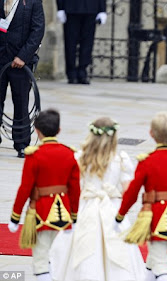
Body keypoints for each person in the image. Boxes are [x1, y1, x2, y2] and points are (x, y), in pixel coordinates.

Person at [49, 117, 146, 281]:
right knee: (118, 249)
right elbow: (128, 191)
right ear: (114, 137)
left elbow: (69, 187)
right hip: (112, 209)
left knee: (84, 247)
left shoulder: (79, 158)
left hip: (86, 207)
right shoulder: (121, 160)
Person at [115, 112, 167, 281]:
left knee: (160, 264)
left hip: (154, 216)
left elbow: (132, 193)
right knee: (154, 258)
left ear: (151, 134)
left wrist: (120, 216)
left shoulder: (146, 161)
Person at [7, 109, 80, 281]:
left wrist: (15, 216)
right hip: (63, 213)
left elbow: (24, 189)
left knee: (41, 259)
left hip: (40, 212)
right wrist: (75, 215)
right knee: (59, 258)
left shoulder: (35, 155)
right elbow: (75, 189)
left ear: (37, 131)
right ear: (59, 130)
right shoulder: (69, 153)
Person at [0, 0, 45, 158]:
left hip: (20, 61)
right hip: (0, 57)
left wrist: (23, 56)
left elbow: (38, 30)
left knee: (21, 103)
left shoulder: (33, 2)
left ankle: (21, 144)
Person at [56, 0, 107, 84]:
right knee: (70, 43)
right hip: (71, 7)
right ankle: (71, 72)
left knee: (87, 43)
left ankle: (82, 71)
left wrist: (102, 10)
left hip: (91, 7)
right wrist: (60, 7)